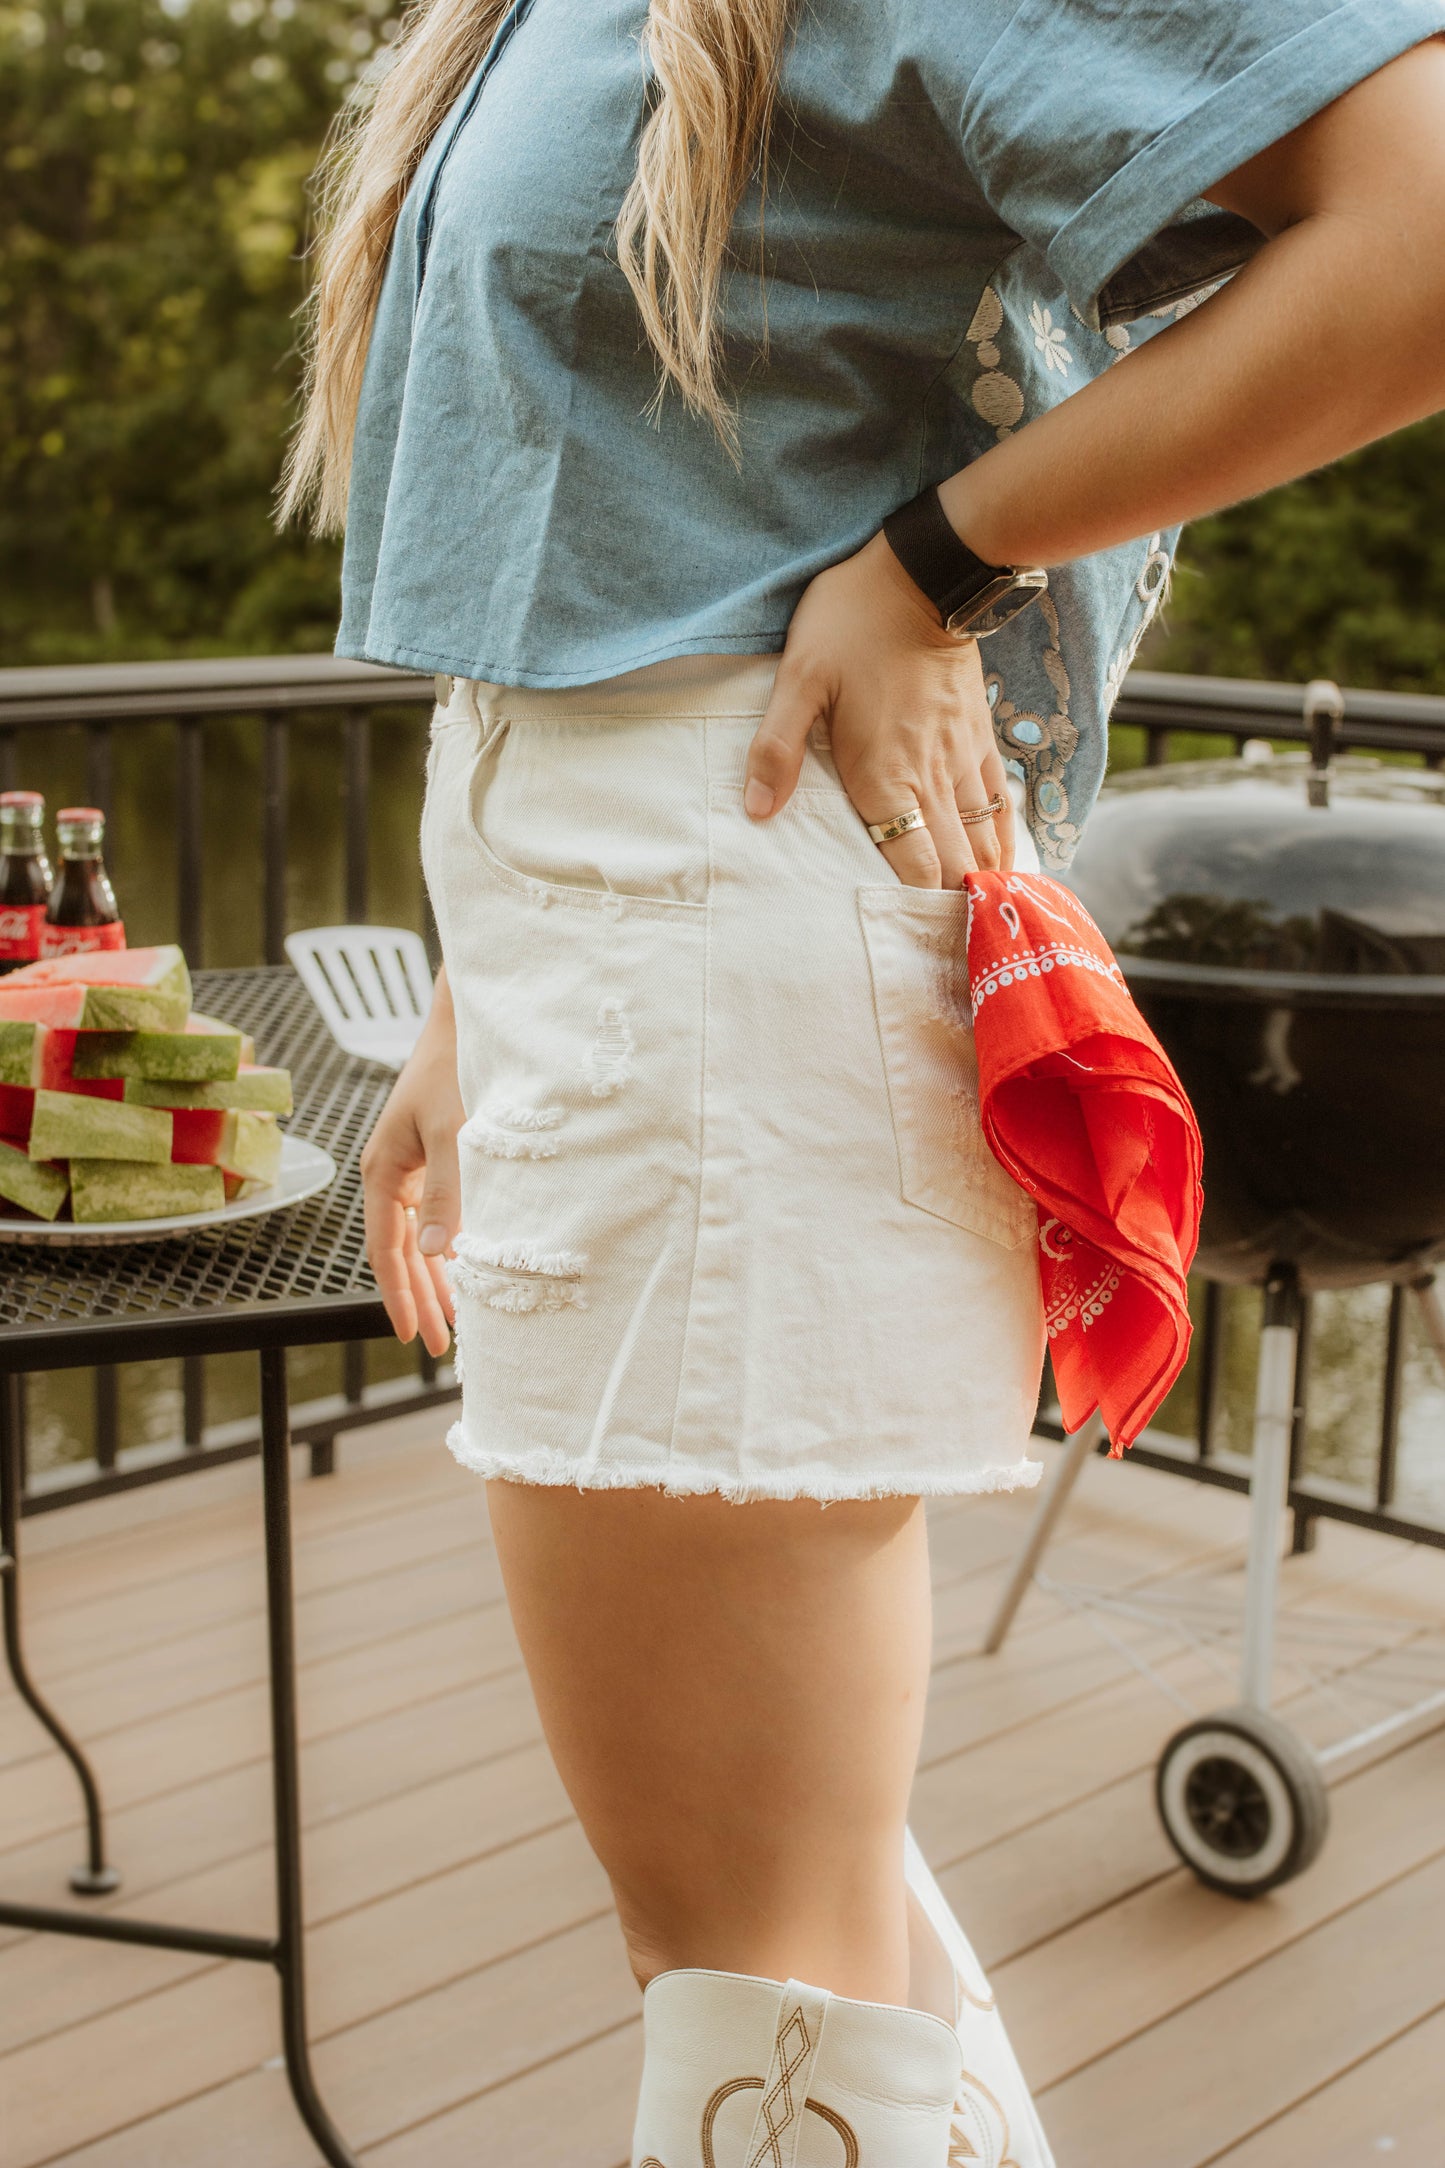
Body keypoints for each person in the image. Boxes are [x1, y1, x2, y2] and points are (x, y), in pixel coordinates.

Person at [284, 4, 1445, 2158]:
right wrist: (481, 994)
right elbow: (642, 524)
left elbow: (1424, 227)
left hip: (718, 962)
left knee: (760, 1957)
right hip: (625, 938)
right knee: (801, 1940)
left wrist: (936, 562)